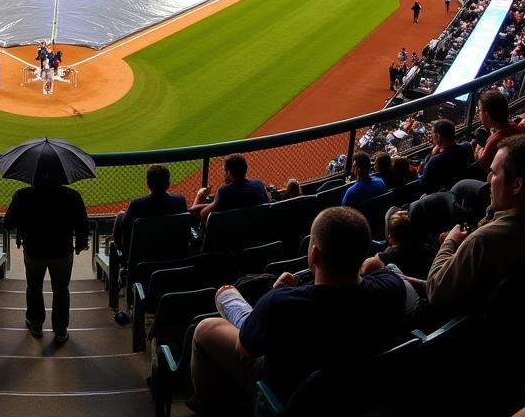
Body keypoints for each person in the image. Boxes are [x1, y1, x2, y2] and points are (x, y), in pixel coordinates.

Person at [189, 208, 408, 408]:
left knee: (205, 327)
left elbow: (244, 349)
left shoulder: (279, 304)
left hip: (284, 396)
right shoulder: (392, 287)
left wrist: (277, 293)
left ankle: (209, 405)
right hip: (357, 394)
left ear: (314, 255)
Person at [423, 136, 525, 313]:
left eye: (494, 173)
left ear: (517, 185)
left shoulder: (481, 242)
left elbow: (434, 291)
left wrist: (451, 241)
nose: (489, 179)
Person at [3, 175, 89, 343]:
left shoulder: (22, 194)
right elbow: (82, 225)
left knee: (34, 287)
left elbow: (8, 223)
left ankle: (36, 324)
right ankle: (60, 330)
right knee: (61, 289)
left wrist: (24, 221)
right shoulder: (73, 195)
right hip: (62, 251)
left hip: (34, 250)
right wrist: (80, 244)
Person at [113, 163, 189, 253]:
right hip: (174, 252)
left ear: (148, 184)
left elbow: (126, 227)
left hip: (143, 254)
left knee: (120, 215)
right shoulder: (180, 200)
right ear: (168, 184)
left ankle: (119, 252)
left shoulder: (137, 204)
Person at [197, 154, 269, 225]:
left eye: (224, 170)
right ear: (245, 168)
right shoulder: (259, 184)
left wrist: (199, 195)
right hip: (256, 231)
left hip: (230, 233)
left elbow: (203, 214)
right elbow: (268, 201)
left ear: (228, 173)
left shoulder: (224, 191)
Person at [418, 119, 474, 195]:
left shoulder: (435, 161)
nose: (431, 136)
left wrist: (432, 156)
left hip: (443, 195)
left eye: (432, 133)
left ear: (438, 137)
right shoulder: (467, 146)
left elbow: (422, 186)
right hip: (463, 190)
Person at [474, 89, 523, 171]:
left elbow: (481, 164)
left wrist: (478, 151)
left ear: (487, 114)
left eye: (479, 110)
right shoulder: (515, 126)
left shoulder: (494, 141)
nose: (478, 114)